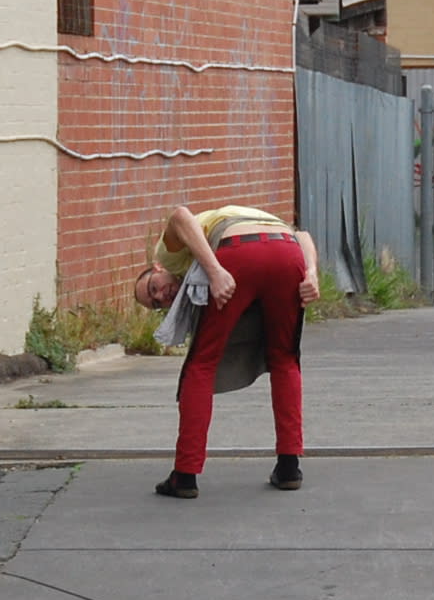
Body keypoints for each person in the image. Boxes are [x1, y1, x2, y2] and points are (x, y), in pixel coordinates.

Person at [134, 203, 319, 499]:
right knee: (285, 358)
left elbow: (180, 214)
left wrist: (216, 271)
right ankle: (288, 468)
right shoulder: (249, 214)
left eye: (153, 286)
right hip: (286, 250)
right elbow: (303, 236)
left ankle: (184, 475)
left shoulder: (167, 255)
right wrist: (310, 272)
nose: (161, 296)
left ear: (158, 269)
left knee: (201, 364)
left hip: (236, 252)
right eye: (156, 304)